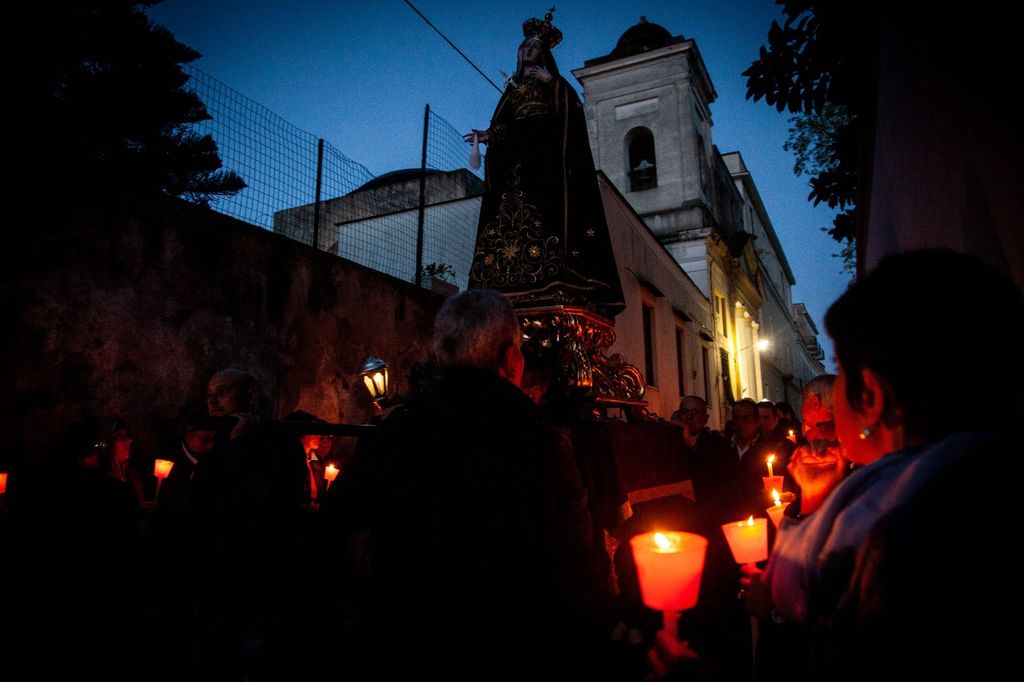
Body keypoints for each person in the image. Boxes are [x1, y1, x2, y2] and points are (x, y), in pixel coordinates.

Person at [745, 250, 1023, 679]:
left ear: (869, 397)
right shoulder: (975, 479)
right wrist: (818, 496)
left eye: (840, 371)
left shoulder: (904, 536)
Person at [324, 289, 611, 678]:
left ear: (441, 355)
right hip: (506, 648)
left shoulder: (400, 430)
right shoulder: (540, 442)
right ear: (510, 359)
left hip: (403, 643)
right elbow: (576, 567)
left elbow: (340, 512)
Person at [465, 10, 624, 318]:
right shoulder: (512, 89)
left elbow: (572, 116)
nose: (527, 51)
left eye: (534, 47)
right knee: (510, 214)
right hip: (516, 164)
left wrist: (553, 84)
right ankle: (505, 278)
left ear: (545, 53)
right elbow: (504, 124)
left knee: (547, 213)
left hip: (546, 162)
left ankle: (553, 273)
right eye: (524, 47)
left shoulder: (556, 85)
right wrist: (488, 135)